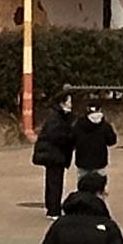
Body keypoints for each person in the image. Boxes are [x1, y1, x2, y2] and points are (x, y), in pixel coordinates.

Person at [34, 88, 80, 216]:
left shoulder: (62, 116)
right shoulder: (55, 118)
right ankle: (54, 210)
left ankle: (52, 207)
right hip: (53, 154)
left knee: (52, 181)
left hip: (55, 154)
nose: (71, 104)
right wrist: (70, 138)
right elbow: (56, 136)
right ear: (62, 103)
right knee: (55, 183)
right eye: (69, 101)